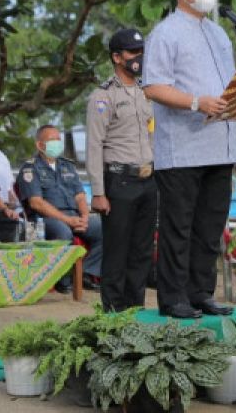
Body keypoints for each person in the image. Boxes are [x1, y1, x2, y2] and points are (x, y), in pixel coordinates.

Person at [142, 0, 236, 319]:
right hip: (183, 149)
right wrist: (194, 102)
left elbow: (231, 91)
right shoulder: (165, 33)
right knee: (179, 227)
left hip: (221, 145)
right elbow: (153, 86)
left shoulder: (219, 33)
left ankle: (201, 292)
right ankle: (173, 299)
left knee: (210, 227)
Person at [85, 27, 157, 312]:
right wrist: (98, 193)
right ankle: (113, 314)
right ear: (117, 57)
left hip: (148, 180)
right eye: (132, 52)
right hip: (119, 181)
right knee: (116, 252)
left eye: (141, 51)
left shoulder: (147, 92)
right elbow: (94, 145)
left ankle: (134, 310)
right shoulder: (103, 96)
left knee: (141, 252)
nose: (139, 57)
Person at [16, 125, 102, 287]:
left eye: (58, 139)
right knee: (62, 232)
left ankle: (86, 273)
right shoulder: (30, 168)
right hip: (46, 219)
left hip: (74, 216)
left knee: (104, 228)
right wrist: (67, 220)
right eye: (52, 140)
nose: (57, 143)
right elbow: (36, 203)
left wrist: (83, 217)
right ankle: (63, 280)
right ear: (39, 145)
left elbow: (80, 196)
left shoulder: (67, 165)